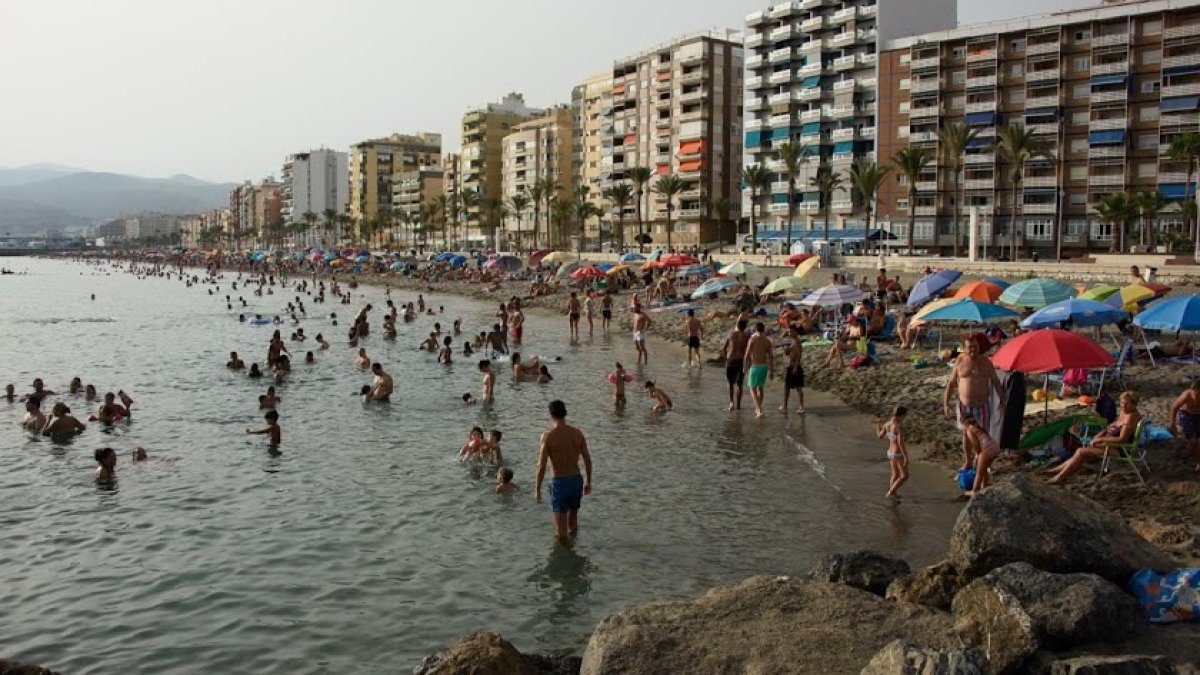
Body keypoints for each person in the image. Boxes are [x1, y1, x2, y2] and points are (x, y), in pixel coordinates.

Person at [1049, 391, 1142, 484]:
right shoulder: (1124, 412)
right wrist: (1100, 434)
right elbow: (1113, 425)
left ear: (1134, 404)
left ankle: (1059, 477)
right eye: (1122, 403)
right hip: (1110, 444)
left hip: (1120, 449)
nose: (1123, 406)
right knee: (1081, 451)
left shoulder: (1131, 417)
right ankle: (1054, 471)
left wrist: (1101, 439)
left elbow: (1122, 439)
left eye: (1126, 404)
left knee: (1081, 452)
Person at [534, 400, 593, 544]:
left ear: (551, 415)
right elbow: (587, 459)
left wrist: (537, 490)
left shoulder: (548, 436)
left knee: (560, 531)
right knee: (573, 523)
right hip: (576, 480)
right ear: (565, 413)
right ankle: (575, 548)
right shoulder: (577, 433)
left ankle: (565, 557)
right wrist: (588, 482)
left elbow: (541, 465)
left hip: (560, 483)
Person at [944, 337, 1005, 470]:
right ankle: (968, 461)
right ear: (965, 348)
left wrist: (1002, 400)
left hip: (982, 404)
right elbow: (952, 383)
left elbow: (995, 381)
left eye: (975, 347)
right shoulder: (960, 361)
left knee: (983, 435)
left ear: (979, 348)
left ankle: (984, 462)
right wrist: (946, 403)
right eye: (969, 347)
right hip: (964, 405)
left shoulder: (986, 362)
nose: (972, 349)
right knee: (966, 434)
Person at [876, 405, 909, 499]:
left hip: (890, 453)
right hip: (898, 454)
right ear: (901, 415)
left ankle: (893, 493)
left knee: (895, 474)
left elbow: (879, 436)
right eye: (904, 416)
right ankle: (891, 492)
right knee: (905, 476)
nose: (904, 418)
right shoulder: (899, 427)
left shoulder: (888, 424)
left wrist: (878, 424)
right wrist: (905, 457)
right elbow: (900, 443)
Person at [962, 415, 1001, 494]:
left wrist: (977, 455)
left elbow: (975, 444)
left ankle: (974, 491)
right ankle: (984, 486)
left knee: (979, 472)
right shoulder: (979, 426)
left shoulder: (969, 430)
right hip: (995, 447)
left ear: (965, 424)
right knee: (984, 468)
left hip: (987, 449)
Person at [743, 322, 774, 418]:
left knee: (752, 389)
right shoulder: (767, 341)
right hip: (764, 367)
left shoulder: (752, 339)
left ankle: (759, 410)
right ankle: (758, 408)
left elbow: (747, 354)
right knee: (760, 387)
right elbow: (771, 356)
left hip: (755, 366)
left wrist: (744, 367)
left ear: (756, 330)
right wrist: (772, 370)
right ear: (763, 329)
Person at [1169, 381, 1200, 471]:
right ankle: (1198, 462)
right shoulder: (1187, 395)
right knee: (1193, 441)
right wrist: (1172, 423)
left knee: (1196, 442)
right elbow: (1175, 408)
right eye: (1195, 393)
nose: (1196, 396)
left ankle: (1191, 450)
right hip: (1187, 416)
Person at [721, 320, 751, 411]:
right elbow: (749, 351)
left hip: (731, 360)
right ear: (745, 327)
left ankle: (731, 403)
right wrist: (749, 362)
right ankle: (738, 406)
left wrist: (726, 358)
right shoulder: (747, 336)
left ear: (737, 325)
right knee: (739, 384)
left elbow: (723, 348)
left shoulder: (731, 334)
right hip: (741, 360)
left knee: (730, 383)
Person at [781, 326, 805, 414]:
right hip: (792, 366)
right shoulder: (793, 341)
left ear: (795, 332)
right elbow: (789, 352)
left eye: (791, 331)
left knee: (798, 387)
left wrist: (795, 367)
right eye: (789, 331)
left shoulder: (796, 341)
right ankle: (785, 405)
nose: (789, 333)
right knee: (787, 387)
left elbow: (799, 354)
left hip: (795, 367)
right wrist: (786, 350)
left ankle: (801, 407)